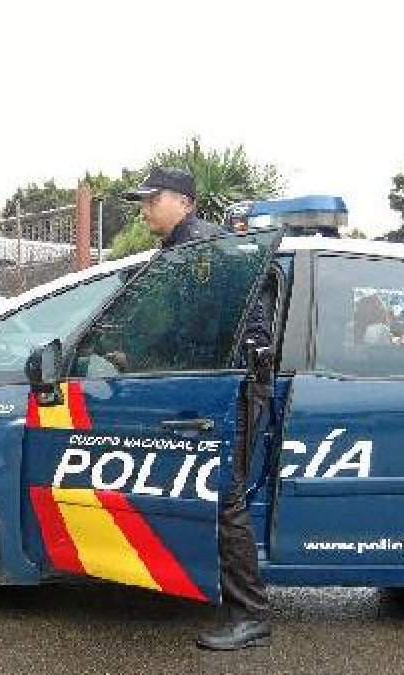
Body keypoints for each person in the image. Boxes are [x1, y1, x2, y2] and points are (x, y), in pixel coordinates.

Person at [123, 167, 273, 651]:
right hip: (213, 384)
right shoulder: (180, 248)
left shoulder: (204, 248)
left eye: (153, 199)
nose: (144, 209)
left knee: (224, 498)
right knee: (212, 495)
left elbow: (225, 324)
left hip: (229, 387)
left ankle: (251, 615)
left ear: (185, 202)